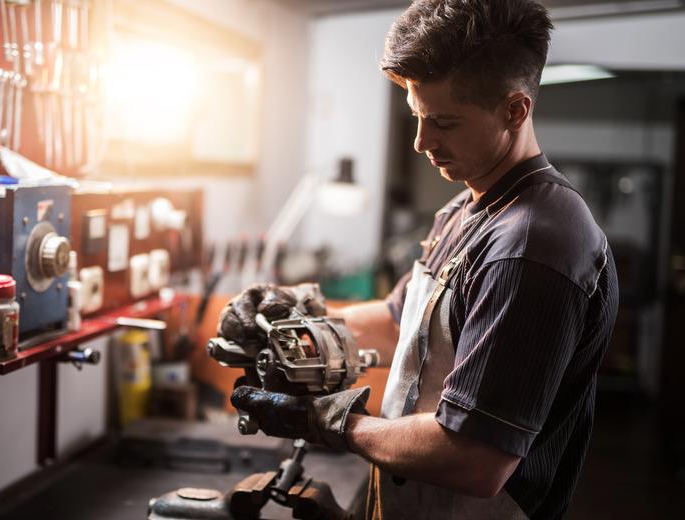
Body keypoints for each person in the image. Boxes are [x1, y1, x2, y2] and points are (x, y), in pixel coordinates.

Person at [221, 1, 619, 518]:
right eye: (417, 116)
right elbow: (398, 324)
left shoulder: (532, 247)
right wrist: (296, 316)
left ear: (514, 110)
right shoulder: (467, 206)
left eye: (444, 123)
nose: (421, 142)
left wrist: (330, 421)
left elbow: (474, 460)